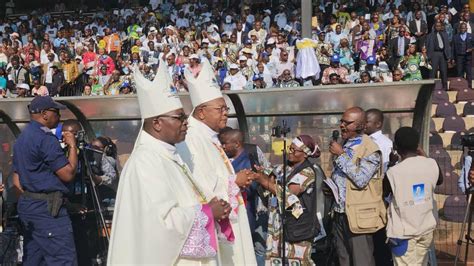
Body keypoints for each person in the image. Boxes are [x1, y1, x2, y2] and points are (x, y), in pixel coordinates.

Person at [108, 61, 230, 264]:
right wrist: (208, 212)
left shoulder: (171, 156)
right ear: (156, 123)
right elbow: (160, 225)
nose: (186, 122)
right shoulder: (145, 162)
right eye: (179, 117)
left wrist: (212, 205)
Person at [178, 58, 257, 265]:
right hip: (213, 224)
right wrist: (234, 182)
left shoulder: (210, 136)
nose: (226, 113)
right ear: (201, 112)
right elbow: (198, 185)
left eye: (226, 109)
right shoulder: (191, 138)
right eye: (220, 109)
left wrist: (235, 180)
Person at [13, 96, 78, 265]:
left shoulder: (22, 137)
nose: (59, 117)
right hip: (47, 211)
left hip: (29, 206)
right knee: (63, 260)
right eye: (56, 112)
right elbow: (68, 174)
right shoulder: (45, 138)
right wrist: (72, 146)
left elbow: (16, 179)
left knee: (34, 260)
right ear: (44, 114)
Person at [328, 106, 386, 266]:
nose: (342, 125)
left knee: (362, 261)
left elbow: (361, 179)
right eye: (341, 121)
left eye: (347, 122)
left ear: (361, 125)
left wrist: (340, 155)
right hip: (340, 213)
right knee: (343, 259)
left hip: (358, 216)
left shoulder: (370, 148)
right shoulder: (344, 144)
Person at [252, 135, 322, 265]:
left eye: (294, 150)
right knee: (277, 259)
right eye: (290, 148)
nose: (290, 152)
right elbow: (271, 176)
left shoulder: (307, 172)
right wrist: (262, 174)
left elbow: (288, 193)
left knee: (296, 260)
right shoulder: (284, 168)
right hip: (278, 225)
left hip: (297, 227)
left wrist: (263, 180)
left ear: (305, 154)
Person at [384, 127, 442, 265]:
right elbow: (439, 179)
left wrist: (391, 162)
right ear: (417, 146)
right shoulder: (431, 163)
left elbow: (385, 192)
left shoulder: (393, 171)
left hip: (404, 234)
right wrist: (423, 154)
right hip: (426, 229)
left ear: (395, 147)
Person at [218, 128, 270, 266]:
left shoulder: (249, 162)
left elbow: (251, 188)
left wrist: (237, 182)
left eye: (225, 143)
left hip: (245, 212)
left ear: (236, 143)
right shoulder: (223, 159)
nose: (222, 146)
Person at [426, 21, 452, 90]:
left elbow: (447, 46)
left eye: (439, 26)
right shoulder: (430, 35)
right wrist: (428, 58)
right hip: (434, 54)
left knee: (443, 71)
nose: (438, 27)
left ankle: (445, 88)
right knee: (432, 72)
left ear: (441, 27)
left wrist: (449, 56)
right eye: (436, 26)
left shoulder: (444, 34)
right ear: (434, 27)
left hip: (443, 54)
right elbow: (427, 47)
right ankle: (430, 88)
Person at [453, 23, 473, 88]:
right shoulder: (455, 37)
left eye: (464, 28)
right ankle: (461, 86)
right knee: (459, 72)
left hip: (468, 57)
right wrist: (452, 58)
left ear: (466, 29)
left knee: (469, 72)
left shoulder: (471, 36)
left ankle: (469, 86)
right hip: (459, 57)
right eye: (461, 28)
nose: (463, 29)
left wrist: (471, 49)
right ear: (459, 29)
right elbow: (453, 48)